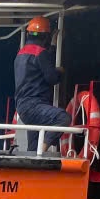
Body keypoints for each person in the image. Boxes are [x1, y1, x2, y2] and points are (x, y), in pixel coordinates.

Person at [14, 16, 71, 154]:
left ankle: (33, 165)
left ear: (28, 34)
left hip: (23, 108)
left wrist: (52, 46)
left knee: (32, 149)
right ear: (46, 36)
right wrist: (60, 72)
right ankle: (42, 150)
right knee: (63, 118)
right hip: (35, 105)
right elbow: (51, 78)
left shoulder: (20, 54)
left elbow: (40, 67)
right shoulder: (40, 53)